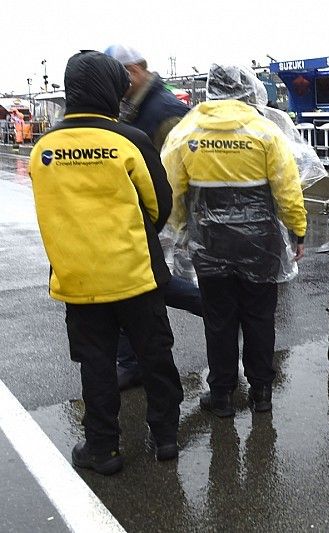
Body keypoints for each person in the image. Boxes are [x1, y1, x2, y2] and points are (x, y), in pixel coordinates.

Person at [29, 50, 183, 474]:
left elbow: (50, 212)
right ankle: (166, 436)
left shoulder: (43, 148)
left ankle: (102, 448)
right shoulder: (129, 140)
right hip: (135, 274)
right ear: (112, 88)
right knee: (155, 355)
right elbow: (159, 205)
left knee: (96, 364)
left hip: (78, 279)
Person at [161, 64, 307, 416]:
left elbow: (173, 190)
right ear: (248, 90)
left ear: (212, 90)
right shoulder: (265, 131)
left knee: (219, 318)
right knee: (259, 317)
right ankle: (261, 393)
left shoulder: (187, 131)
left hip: (209, 241)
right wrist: (297, 230)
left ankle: (223, 394)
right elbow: (287, 190)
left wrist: (180, 232)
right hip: (261, 240)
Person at [103, 44, 202, 391]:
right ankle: (131, 361)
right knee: (139, 286)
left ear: (134, 71)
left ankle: (219, 309)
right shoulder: (134, 106)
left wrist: (171, 222)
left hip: (158, 217)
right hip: (140, 215)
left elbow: (181, 169)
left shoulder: (164, 110)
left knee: (145, 285)